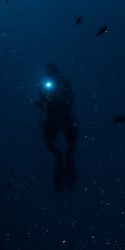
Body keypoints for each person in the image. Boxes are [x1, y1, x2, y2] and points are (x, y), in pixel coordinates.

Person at [35, 63, 78, 191]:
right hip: (58, 118)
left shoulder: (62, 83)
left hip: (61, 118)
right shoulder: (46, 85)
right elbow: (43, 103)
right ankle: (65, 176)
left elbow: (69, 100)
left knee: (66, 149)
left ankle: (67, 177)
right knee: (60, 148)